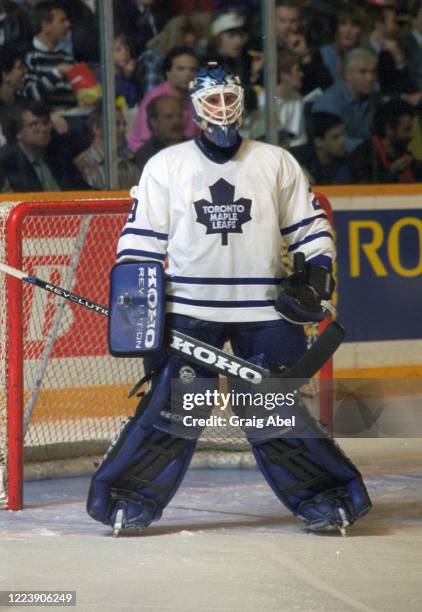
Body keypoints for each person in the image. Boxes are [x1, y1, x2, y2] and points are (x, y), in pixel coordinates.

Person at [87, 62, 372, 536]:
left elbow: (310, 229)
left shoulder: (276, 161)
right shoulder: (166, 165)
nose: (222, 109)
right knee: (179, 409)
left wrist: (317, 275)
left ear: (242, 101)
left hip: (263, 311)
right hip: (189, 312)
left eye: (228, 98)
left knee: (272, 410)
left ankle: (326, 497)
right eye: (211, 101)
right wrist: (139, 304)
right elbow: (138, 242)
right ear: (196, 109)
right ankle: (127, 497)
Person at [0, 100, 89, 191]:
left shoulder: (58, 153)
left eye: (45, 123)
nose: (43, 129)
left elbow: (83, 191)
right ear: (18, 132)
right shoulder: (6, 162)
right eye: (34, 124)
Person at [128, 46, 199, 152]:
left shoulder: (197, 100)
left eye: (193, 69)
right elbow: (146, 141)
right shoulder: (155, 99)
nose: (188, 74)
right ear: (168, 73)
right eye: (181, 69)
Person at [312, 48, 380, 152]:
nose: (370, 78)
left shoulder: (374, 98)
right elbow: (333, 144)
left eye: (372, 72)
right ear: (347, 74)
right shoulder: (329, 104)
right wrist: (369, 147)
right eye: (363, 72)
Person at [23, 0, 76, 105]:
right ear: (46, 26)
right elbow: (31, 96)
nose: (68, 24)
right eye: (62, 21)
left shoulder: (67, 58)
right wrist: (57, 73)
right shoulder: (28, 57)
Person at [74, 106, 140, 189]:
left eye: (124, 124)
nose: (123, 129)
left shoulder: (129, 166)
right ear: (97, 128)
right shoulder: (81, 167)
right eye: (116, 124)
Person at [290, 112, 355, 184]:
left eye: (343, 134)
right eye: (335, 137)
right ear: (319, 142)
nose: (343, 140)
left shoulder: (348, 163)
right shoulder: (295, 159)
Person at [134, 94, 185, 176]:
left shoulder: (195, 148)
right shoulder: (145, 155)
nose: (176, 121)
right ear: (154, 122)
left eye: (179, 116)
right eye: (169, 117)